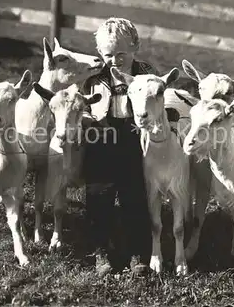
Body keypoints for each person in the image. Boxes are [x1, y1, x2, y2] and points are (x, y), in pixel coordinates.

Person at [80, 17, 158, 277]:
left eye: (121, 54)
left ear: (135, 46)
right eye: (108, 55)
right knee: (99, 197)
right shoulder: (94, 77)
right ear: (100, 54)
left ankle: (138, 252)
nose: (114, 61)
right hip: (101, 140)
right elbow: (82, 106)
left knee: (134, 197)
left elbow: (158, 99)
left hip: (133, 140)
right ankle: (101, 250)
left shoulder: (145, 73)